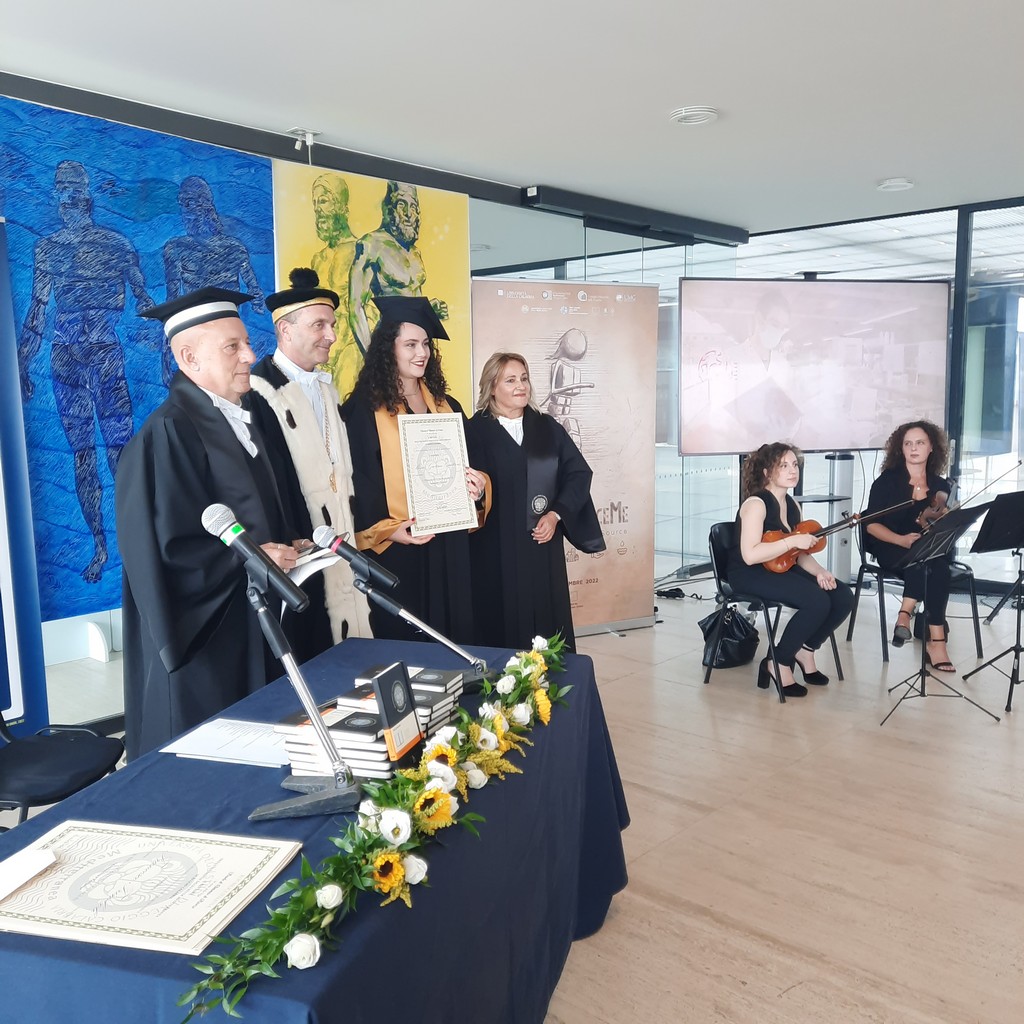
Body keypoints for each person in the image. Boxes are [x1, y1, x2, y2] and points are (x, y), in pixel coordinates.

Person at [115, 287, 308, 759]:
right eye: (233, 347)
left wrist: (287, 543)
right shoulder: (167, 434)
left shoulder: (245, 418)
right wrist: (250, 559)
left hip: (252, 621)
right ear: (189, 358)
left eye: (247, 343)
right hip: (209, 638)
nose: (250, 355)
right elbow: (166, 553)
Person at [17, 159, 154, 582]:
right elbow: (37, 311)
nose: (70, 199)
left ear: (88, 195)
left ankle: (138, 542)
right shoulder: (47, 248)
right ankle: (100, 545)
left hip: (105, 356)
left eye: (75, 191)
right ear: (57, 197)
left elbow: (146, 304)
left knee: (119, 453)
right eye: (63, 191)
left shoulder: (117, 244)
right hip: (66, 359)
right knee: (82, 456)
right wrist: (21, 363)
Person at [339, 295, 486, 642]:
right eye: (410, 344)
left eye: (425, 344)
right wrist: (387, 531)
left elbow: (476, 463)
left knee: (454, 633)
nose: (422, 353)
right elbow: (358, 479)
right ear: (388, 349)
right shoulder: (364, 408)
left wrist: (478, 486)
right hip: (401, 548)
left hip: (449, 543)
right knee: (409, 638)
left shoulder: (447, 405)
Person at [248, 266, 372, 653]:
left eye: (332, 325)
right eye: (319, 325)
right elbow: (267, 487)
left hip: (342, 544)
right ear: (285, 330)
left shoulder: (328, 390)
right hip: (301, 552)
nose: (332, 336)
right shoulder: (259, 394)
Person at [466, 352, 604, 650]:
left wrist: (556, 515)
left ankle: (548, 673)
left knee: (546, 620)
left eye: (524, 378)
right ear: (492, 387)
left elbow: (578, 474)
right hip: (494, 549)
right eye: (510, 380)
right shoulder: (472, 431)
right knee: (498, 621)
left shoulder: (547, 427)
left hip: (541, 546)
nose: (521, 386)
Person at [728, 442, 854, 697]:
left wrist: (820, 571)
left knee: (841, 596)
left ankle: (806, 650)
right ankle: (779, 661)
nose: (792, 470)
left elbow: (798, 554)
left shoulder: (792, 504)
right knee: (816, 601)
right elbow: (750, 555)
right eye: (783, 465)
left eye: (794, 464)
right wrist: (792, 541)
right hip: (749, 573)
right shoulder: (756, 504)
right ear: (766, 472)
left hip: (780, 567)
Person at [864, 420, 955, 671]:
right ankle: (936, 642)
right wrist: (901, 540)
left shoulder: (940, 486)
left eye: (920, 443)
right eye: (908, 444)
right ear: (901, 448)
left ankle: (905, 616)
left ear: (931, 448)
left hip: (924, 549)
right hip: (890, 543)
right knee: (926, 564)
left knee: (934, 565)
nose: (914, 448)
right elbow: (871, 526)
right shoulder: (886, 482)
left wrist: (945, 519)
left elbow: (938, 525)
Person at [348, 181, 448, 355]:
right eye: (402, 205)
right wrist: (373, 358)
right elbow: (355, 308)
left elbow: (412, 301)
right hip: (389, 343)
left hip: (417, 344)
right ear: (390, 208)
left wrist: (429, 310)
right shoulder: (372, 244)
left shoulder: (414, 252)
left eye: (413, 207)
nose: (409, 214)